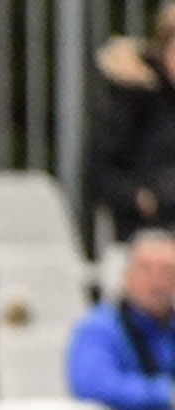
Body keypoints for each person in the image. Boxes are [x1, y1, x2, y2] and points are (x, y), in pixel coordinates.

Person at [66, 229, 175, 410]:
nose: (157, 280)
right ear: (126, 276)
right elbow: (92, 384)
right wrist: (165, 395)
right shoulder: (100, 327)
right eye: (146, 269)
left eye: (167, 271)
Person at [92, 4, 175, 240]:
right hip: (147, 231)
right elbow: (100, 172)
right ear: (163, 51)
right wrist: (142, 199)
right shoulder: (134, 100)